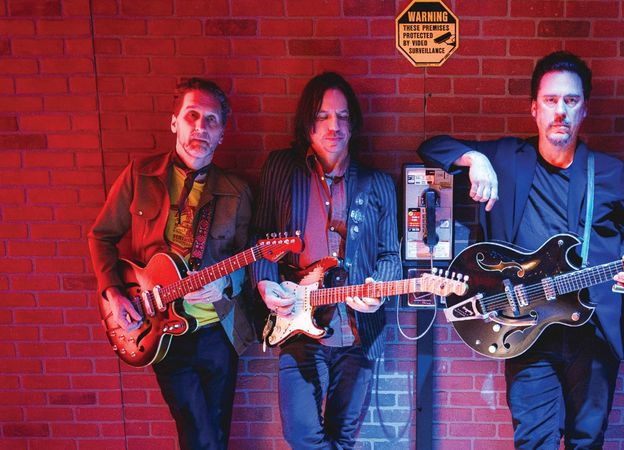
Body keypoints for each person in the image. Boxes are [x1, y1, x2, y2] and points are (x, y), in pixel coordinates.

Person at [418, 51, 624, 448]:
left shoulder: (610, 173)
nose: (560, 111)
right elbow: (431, 146)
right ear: (534, 109)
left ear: (584, 110)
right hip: (525, 328)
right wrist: (475, 159)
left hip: (591, 327)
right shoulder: (507, 158)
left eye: (571, 101)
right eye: (551, 100)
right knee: (532, 442)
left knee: (587, 439)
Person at [88, 78, 255, 450]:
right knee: (198, 437)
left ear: (222, 134)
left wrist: (226, 284)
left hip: (217, 332)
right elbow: (101, 237)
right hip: (161, 330)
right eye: (192, 115)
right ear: (174, 122)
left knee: (216, 436)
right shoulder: (138, 176)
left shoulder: (238, 190)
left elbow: (248, 257)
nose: (200, 126)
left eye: (211, 120)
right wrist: (114, 294)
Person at [251, 72, 400, 449]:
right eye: (322, 116)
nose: (334, 126)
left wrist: (378, 291)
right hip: (298, 326)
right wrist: (264, 283)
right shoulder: (282, 170)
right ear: (307, 123)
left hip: (358, 333)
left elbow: (390, 256)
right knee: (301, 435)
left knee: (343, 437)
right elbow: (260, 238)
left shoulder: (378, 182)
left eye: (343, 116)